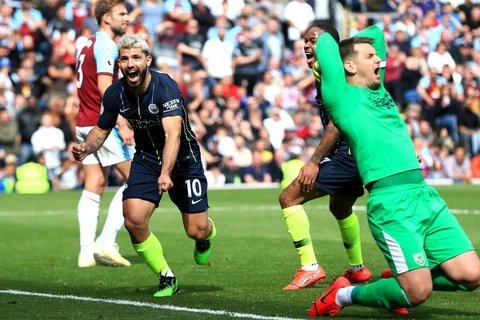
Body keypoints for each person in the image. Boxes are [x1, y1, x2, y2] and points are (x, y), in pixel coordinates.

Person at [308, 25, 480, 317]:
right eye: (370, 56)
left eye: (377, 56)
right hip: (391, 203)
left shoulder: (380, 90)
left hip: (425, 196)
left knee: (472, 276)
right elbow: (323, 40)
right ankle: (343, 295)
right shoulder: (341, 97)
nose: (379, 60)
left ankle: (401, 278)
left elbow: (375, 31)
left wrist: (362, 47)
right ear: (348, 66)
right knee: (417, 292)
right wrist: (333, 47)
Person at [72, 35, 216, 297]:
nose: (130, 63)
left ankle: (207, 234)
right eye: (124, 58)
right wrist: (86, 147)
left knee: (196, 230)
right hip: (147, 158)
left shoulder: (165, 86)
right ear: (119, 63)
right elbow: (102, 129)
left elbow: (173, 135)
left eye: (136, 57)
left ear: (147, 60)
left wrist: (166, 173)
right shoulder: (115, 93)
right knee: (134, 220)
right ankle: (167, 278)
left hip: (184, 160)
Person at [279, 23, 372, 291]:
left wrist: (314, 161)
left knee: (289, 198)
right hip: (358, 153)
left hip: (347, 154)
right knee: (340, 207)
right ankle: (358, 269)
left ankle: (309, 267)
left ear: (330, 45)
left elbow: (336, 123)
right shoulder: (331, 72)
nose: (306, 45)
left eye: (313, 40)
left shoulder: (335, 73)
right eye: (304, 41)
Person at [75, 0, 134, 268]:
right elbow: (103, 86)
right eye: (123, 14)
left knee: (94, 185)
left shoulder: (87, 43)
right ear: (107, 17)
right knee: (137, 181)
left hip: (83, 122)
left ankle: (86, 254)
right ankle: (107, 241)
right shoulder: (107, 45)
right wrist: (121, 121)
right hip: (102, 125)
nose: (128, 18)